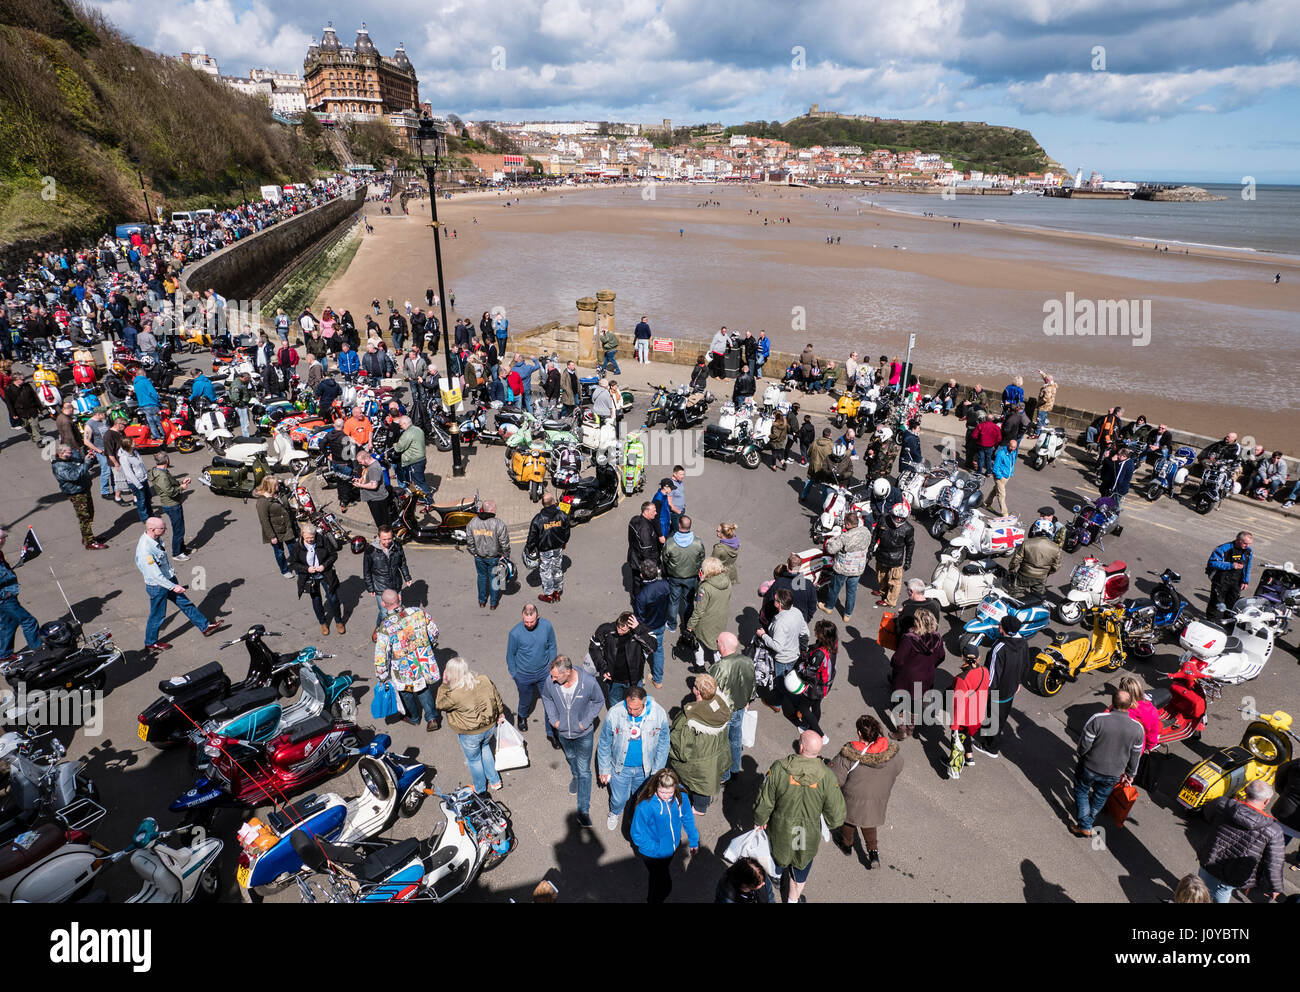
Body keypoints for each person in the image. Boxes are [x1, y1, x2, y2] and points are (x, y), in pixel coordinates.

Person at [753, 730, 846, 904]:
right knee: (800, 866)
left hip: (781, 828)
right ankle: (792, 900)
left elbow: (765, 800)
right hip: (805, 832)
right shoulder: (827, 776)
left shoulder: (779, 768)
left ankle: (777, 875)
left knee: (778, 853)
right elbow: (836, 816)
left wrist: (760, 819)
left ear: (801, 747)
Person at [135, 516, 224, 651]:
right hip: (158, 586)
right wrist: (173, 586)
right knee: (157, 615)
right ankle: (150, 642)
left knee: (185, 603)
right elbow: (154, 575)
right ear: (152, 529)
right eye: (163, 528)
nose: (165, 530)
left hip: (168, 579)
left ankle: (205, 627)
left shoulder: (154, 538)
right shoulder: (145, 549)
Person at [540, 655, 605, 828]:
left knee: (584, 769)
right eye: (552, 676)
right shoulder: (550, 681)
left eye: (555, 676)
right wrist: (554, 720)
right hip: (563, 733)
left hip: (583, 734)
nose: (552, 679)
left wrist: (585, 722)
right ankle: (575, 776)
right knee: (570, 757)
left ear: (567, 672)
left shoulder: (589, 682)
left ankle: (583, 811)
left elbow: (598, 701)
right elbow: (546, 697)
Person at [829, 714, 902, 867]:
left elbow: (836, 779)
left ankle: (847, 845)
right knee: (868, 820)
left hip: (853, 798)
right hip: (878, 796)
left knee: (849, 820)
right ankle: (873, 852)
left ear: (860, 733)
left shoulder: (850, 753)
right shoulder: (889, 751)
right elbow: (898, 766)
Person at [1071, 688, 1144, 837]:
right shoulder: (1138, 729)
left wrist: (1081, 755)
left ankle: (1084, 824)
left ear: (1112, 702)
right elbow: (1135, 756)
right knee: (1100, 798)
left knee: (1081, 791)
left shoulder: (1098, 719)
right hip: (1113, 773)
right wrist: (1131, 774)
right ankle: (1088, 823)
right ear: (1130, 705)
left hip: (1089, 767)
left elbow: (1084, 744)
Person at [1196, 781, 1285, 903]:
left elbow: (1208, 814)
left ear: (1246, 792)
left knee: (1200, 886)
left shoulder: (1222, 803)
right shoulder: (1273, 830)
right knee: (1223, 891)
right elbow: (1274, 862)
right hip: (1236, 873)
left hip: (1211, 857)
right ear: (1266, 801)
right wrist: (1275, 887)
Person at [597, 686, 671, 830]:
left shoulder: (658, 713)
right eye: (629, 707)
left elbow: (664, 743)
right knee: (619, 798)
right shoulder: (615, 713)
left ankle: (635, 818)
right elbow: (604, 742)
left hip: (645, 769)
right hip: (620, 767)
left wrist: (658, 770)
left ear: (644, 702)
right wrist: (605, 768)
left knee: (641, 798)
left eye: (636, 709)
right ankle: (614, 812)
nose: (632, 712)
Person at [374, 589, 442, 731]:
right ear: (399, 597)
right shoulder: (418, 612)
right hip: (422, 660)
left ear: (383, 604)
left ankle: (413, 717)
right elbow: (434, 631)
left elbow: (381, 654)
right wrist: (430, 645)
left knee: (406, 691)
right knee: (423, 687)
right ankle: (432, 718)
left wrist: (381, 674)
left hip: (403, 669)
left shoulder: (385, 626)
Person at [437, 657, 507, 794]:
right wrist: (500, 713)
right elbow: (496, 697)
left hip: (470, 733)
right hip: (489, 726)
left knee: (474, 760)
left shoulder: (454, 694)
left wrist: (444, 684)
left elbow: (439, 704)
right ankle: (495, 781)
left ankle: (480, 788)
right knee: (485, 748)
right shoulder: (484, 679)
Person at [629, 768, 699, 903]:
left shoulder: (681, 796)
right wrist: (657, 849)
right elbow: (637, 834)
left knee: (661, 878)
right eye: (662, 792)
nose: (666, 796)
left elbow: (687, 818)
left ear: (675, 787)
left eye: (670, 792)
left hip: (671, 848)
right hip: (653, 854)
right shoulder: (646, 805)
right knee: (660, 883)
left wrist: (694, 841)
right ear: (655, 786)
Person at [668, 672, 732, 815]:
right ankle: (701, 806)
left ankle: (699, 809)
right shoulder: (721, 706)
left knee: (700, 785)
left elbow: (681, 748)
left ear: (697, 691)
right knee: (707, 781)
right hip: (717, 752)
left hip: (701, 761)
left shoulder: (691, 717)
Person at [974, 615, 1030, 758]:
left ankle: (990, 747)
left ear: (1005, 629)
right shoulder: (1023, 643)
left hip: (997, 691)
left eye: (1000, 625)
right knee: (1001, 716)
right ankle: (990, 736)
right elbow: (1026, 665)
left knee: (993, 717)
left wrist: (985, 690)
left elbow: (993, 673)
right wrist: (1019, 682)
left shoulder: (1000, 647)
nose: (998, 626)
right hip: (1011, 689)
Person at [707, 631, 755, 785]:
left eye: (718, 642)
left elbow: (711, 695)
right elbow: (752, 683)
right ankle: (734, 769)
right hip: (740, 707)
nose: (716, 643)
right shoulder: (747, 661)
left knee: (722, 744)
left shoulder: (718, 667)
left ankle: (725, 775)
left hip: (724, 712)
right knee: (735, 739)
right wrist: (747, 700)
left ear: (722, 646)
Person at [889, 610, 945, 738]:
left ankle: (901, 731)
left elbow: (898, 660)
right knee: (916, 703)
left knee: (899, 704)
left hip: (906, 678)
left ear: (917, 623)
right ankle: (910, 728)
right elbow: (941, 656)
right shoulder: (937, 638)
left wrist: (895, 666)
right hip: (925, 677)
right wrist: (931, 666)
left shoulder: (909, 638)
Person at [505, 604, 557, 734]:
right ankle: (522, 716)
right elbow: (510, 655)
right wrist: (515, 674)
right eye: (526, 621)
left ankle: (551, 733)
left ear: (537, 617)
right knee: (525, 698)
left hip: (544, 671)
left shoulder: (547, 626)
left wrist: (551, 666)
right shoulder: (515, 633)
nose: (528, 624)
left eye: (532, 621)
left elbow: (552, 646)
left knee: (549, 701)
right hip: (523, 674)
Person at [784, 618, 836, 741]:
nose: (814, 631)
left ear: (822, 635)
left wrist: (799, 667)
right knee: (816, 705)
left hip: (815, 686)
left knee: (803, 708)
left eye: (817, 630)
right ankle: (812, 727)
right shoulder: (831, 646)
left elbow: (809, 672)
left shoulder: (819, 654)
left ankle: (820, 734)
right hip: (825, 685)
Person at [589, 610, 656, 705]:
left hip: (635, 679)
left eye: (623, 630)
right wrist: (603, 668)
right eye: (618, 627)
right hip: (614, 680)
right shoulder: (607, 629)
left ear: (631, 627)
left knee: (636, 704)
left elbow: (653, 647)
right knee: (615, 703)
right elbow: (594, 647)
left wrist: (638, 629)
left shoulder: (641, 630)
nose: (619, 631)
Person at [289, 523, 344, 636]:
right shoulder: (297, 546)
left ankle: (339, 621)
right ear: (302, 535)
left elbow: (333, 555)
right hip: (310, 577)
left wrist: (324, 565)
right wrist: (307, 569)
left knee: (333, 598)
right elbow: (293, 563)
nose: (309, 540)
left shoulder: (323, 540)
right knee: (316, 600)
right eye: (307, 538)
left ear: (315, 535)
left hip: (325, 574)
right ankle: (323, 623)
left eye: (312, 538)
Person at [51, 445, 107, 549]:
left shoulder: (70, 459)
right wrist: (86, 464)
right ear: (61, 454)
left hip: (84, 489)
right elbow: (74, 475)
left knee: (90, 513)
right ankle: (90, 542)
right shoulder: (59, 466)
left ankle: (87, 536)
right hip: (76, 493)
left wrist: (87, 459)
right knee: (84, 517)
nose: (72, 454)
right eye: (69, 452)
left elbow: (82, 466)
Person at [362, 526, 412, 640]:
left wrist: (407, 577)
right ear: (378, 537)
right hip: (380, 587)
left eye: (389, 539)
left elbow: (402, 563)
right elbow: (367, 571)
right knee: (384, 612)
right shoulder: (370, 551)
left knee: (397, 610)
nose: (387, 542)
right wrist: (370, 588)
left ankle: (395, 630)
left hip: (396, 585)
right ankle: (379, 627)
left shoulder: (397, 547)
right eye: (384, 539)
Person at [947, 645, 990, 779]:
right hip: (978, 714)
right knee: (965, 735)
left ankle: (955, 767)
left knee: (956, 741)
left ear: (962, 657)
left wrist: (954, 727)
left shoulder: (961, 678)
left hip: (964, 716)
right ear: (979, 658)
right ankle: (969, 757)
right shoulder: (985, 671)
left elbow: (959, 705)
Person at [0, 528, 41, 661]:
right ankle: (40, 652)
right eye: (2, 538)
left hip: (5, 595)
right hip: (5, 598)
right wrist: (5, 594)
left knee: (9, 623)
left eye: (4, 537)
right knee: (29, 621)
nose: (4, 540)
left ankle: (4, 655)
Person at [685, 556, 732, 671]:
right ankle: (719, 668)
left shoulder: (705, 587)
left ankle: (700, 666)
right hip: (721, 619)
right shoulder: (728, 582)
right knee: (717, 645)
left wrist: (690, 625)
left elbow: (699, 610)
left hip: (706, 622)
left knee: (698, 642)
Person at [822, 510, 870, 622]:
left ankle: (829, 607)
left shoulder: (845, 537)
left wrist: (830, 541)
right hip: (858, 569)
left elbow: (831, 549)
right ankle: (847, 615)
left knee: (834, 589)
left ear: (848, 524)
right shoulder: (866, 531)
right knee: (851, 593)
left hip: (842, 569)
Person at [526, 491, 570, 602]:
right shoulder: (562, 515)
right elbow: (567, 532)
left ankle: (549, 594)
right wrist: (564, 542)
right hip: (558, 548)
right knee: (557, 569)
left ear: (543, 504)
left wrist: (530, 549)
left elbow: (532, 537)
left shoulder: (538, 519)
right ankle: (557, 592)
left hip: (544, 550)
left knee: (546, 571)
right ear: (553, 502)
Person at [662, 515, 704, 633]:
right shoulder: (697, 542)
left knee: (673, 601)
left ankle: (672, 625)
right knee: (688, 602)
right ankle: (687, 625)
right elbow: (702, 558)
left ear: (679, 525)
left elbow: (664, 559)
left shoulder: (670, 542)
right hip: (691, 577)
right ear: (689, 526)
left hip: (674, 577)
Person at [467, 500, 511, 610]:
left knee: (481, 577)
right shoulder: (498, 523)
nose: (496, 510)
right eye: (495, 508)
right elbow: (504, 542)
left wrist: (474, 552)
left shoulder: (473, 522)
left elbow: (469, 540)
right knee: (495, 580)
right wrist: (505, 555)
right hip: (494, 557)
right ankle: (493, 603)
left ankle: (482, 601)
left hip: (479, 557)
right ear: (491, 510)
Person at [147, 453, 191, 560]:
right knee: (178, 530)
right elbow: (170, 491)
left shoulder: (161, 472)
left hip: (172, 504)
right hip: (172, 505)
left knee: (180, 528)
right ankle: (176, 553)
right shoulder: (161, 476)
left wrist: (181, 482)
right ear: (166, 460)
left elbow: (170, 484)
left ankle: (182, 549)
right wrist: (182, 488)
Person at [870, 502, 914, 608]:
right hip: (882, 554)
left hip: (896, 558)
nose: (898, 520)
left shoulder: (908, 529)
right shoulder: (883, 520)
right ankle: (883, 591)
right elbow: (875, 535)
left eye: (901, 518)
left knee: (895, 581)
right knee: (881, 575)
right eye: (897, 517)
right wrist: (870, 549)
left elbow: (910, 545)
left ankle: (890, 601)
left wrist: (908, 561)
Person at [1006, 518, 1063, 596]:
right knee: (1036, 598)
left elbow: (1015, 560)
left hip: (1024, 574)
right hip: (1041, 577)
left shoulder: (1027, 543)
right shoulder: (1056, 548)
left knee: (1015, 596)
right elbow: (1056, 566)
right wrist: (1046, 573)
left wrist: (1012, 571)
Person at [254, 476, 297, 577]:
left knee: (295, 550)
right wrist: (271, 536)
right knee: (280, 553)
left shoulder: (279, 493)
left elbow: (287, 504)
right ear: (270, 486)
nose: (279, 485)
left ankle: (299, 570)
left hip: (287, 528)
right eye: (276, 484)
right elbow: (264, 521)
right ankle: (284, 570)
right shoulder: (262, 502)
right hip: (275, 532)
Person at [1205, 531, 1252, 618]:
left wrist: (1245, 581)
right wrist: (1231, 565)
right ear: (1238, 540)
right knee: (1216, 602)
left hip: (1236, 581)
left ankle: (1228, 622)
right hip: (1221, 580)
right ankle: (1210, 620)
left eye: (1249, 544)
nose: (1247, 546)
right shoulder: (1223, 548)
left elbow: (1247, 566)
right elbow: (1212, 563)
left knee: (1232, 603)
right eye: (1245, 543)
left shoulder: (1248, 551)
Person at [627, 501, 662, 596]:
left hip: (633, 558)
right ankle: (641, 604)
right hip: (642, 562)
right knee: (644, 586)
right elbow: (646, 550)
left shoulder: (634, 519)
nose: (656, 513)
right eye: (654, 511)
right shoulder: (645, 529)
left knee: (636, 582)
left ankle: (636, 601)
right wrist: (650, 567)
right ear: (646, 512)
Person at [117, 437, 152, 524]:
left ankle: (151, 516)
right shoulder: (124, 458)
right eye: (132, 442)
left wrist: (146, 476)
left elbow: (141, 465)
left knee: (148, 499)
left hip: (143, 480)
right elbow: (129, 473)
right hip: (136, 483)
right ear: (128, 445)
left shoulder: (135, 452)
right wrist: (138, 485)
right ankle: (145, 519)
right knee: (141, 501)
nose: (135, 442)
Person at [391, 415, 427, 498]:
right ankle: (420, 497)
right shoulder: (418, 429)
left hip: (414, 460)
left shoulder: (407, 433)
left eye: (400, 425)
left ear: (404, 423)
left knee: (420, 482)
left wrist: (395, 445)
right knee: (419, 480)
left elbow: (399, 448)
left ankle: (428, 501)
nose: (400, 427)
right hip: (422, 458)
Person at [984, 438, 1018, 515]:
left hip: (1007, 476)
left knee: (995, 490)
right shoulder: (1001, 453)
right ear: (1008, 444)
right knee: (1002, 494)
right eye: (1011, 447)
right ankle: (1005, 513)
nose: (1012, 449)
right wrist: (999, 476)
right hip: (1000, 477)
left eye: (1014, 447)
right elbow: (995, 467)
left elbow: (1012, 464)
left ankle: (986, 503)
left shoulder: (1013, 453)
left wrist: (1010, 473)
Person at [801, 427, 834, 504]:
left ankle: (803, 495)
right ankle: (823, 503)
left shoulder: (815, 442)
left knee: (809, 481)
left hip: (814, 466)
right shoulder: (831, 445)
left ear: (823, 434)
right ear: (830, 435)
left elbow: (808, 453)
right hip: (823, 469)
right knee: (824, 486)